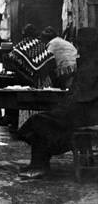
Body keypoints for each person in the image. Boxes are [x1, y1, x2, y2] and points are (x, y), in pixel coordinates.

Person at [18, 27, 98, 180]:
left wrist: (65, 107)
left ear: (89, 46)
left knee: (41, 121)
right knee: (43, 120)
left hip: (85, 115)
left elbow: (84, 97)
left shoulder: (92, 67)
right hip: (79, 111)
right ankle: (38, 163)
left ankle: (39, 165)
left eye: (81, 45)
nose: (79, 49)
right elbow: (77, 93)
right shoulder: (88, 63)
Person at [4, 24, 56, 89]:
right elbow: (50, 58)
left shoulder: (21, 45)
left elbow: (12, 56)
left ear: (23, 34)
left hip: (29, 80)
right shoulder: (40, 44)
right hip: (44, 79)